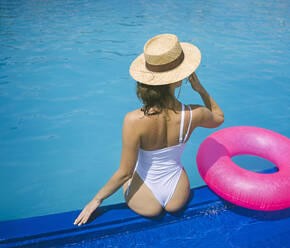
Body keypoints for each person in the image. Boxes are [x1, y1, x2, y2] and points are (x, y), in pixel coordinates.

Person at [74, 34, 224, 226]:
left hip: (144, 198)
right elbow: (219, 117)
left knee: (139, 181)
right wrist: (201, 90)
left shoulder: (133, 120)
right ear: (178, 80)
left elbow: (124, 173)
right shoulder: (195, 114)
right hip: (176, 192)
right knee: (174, 189)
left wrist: (97, 199)